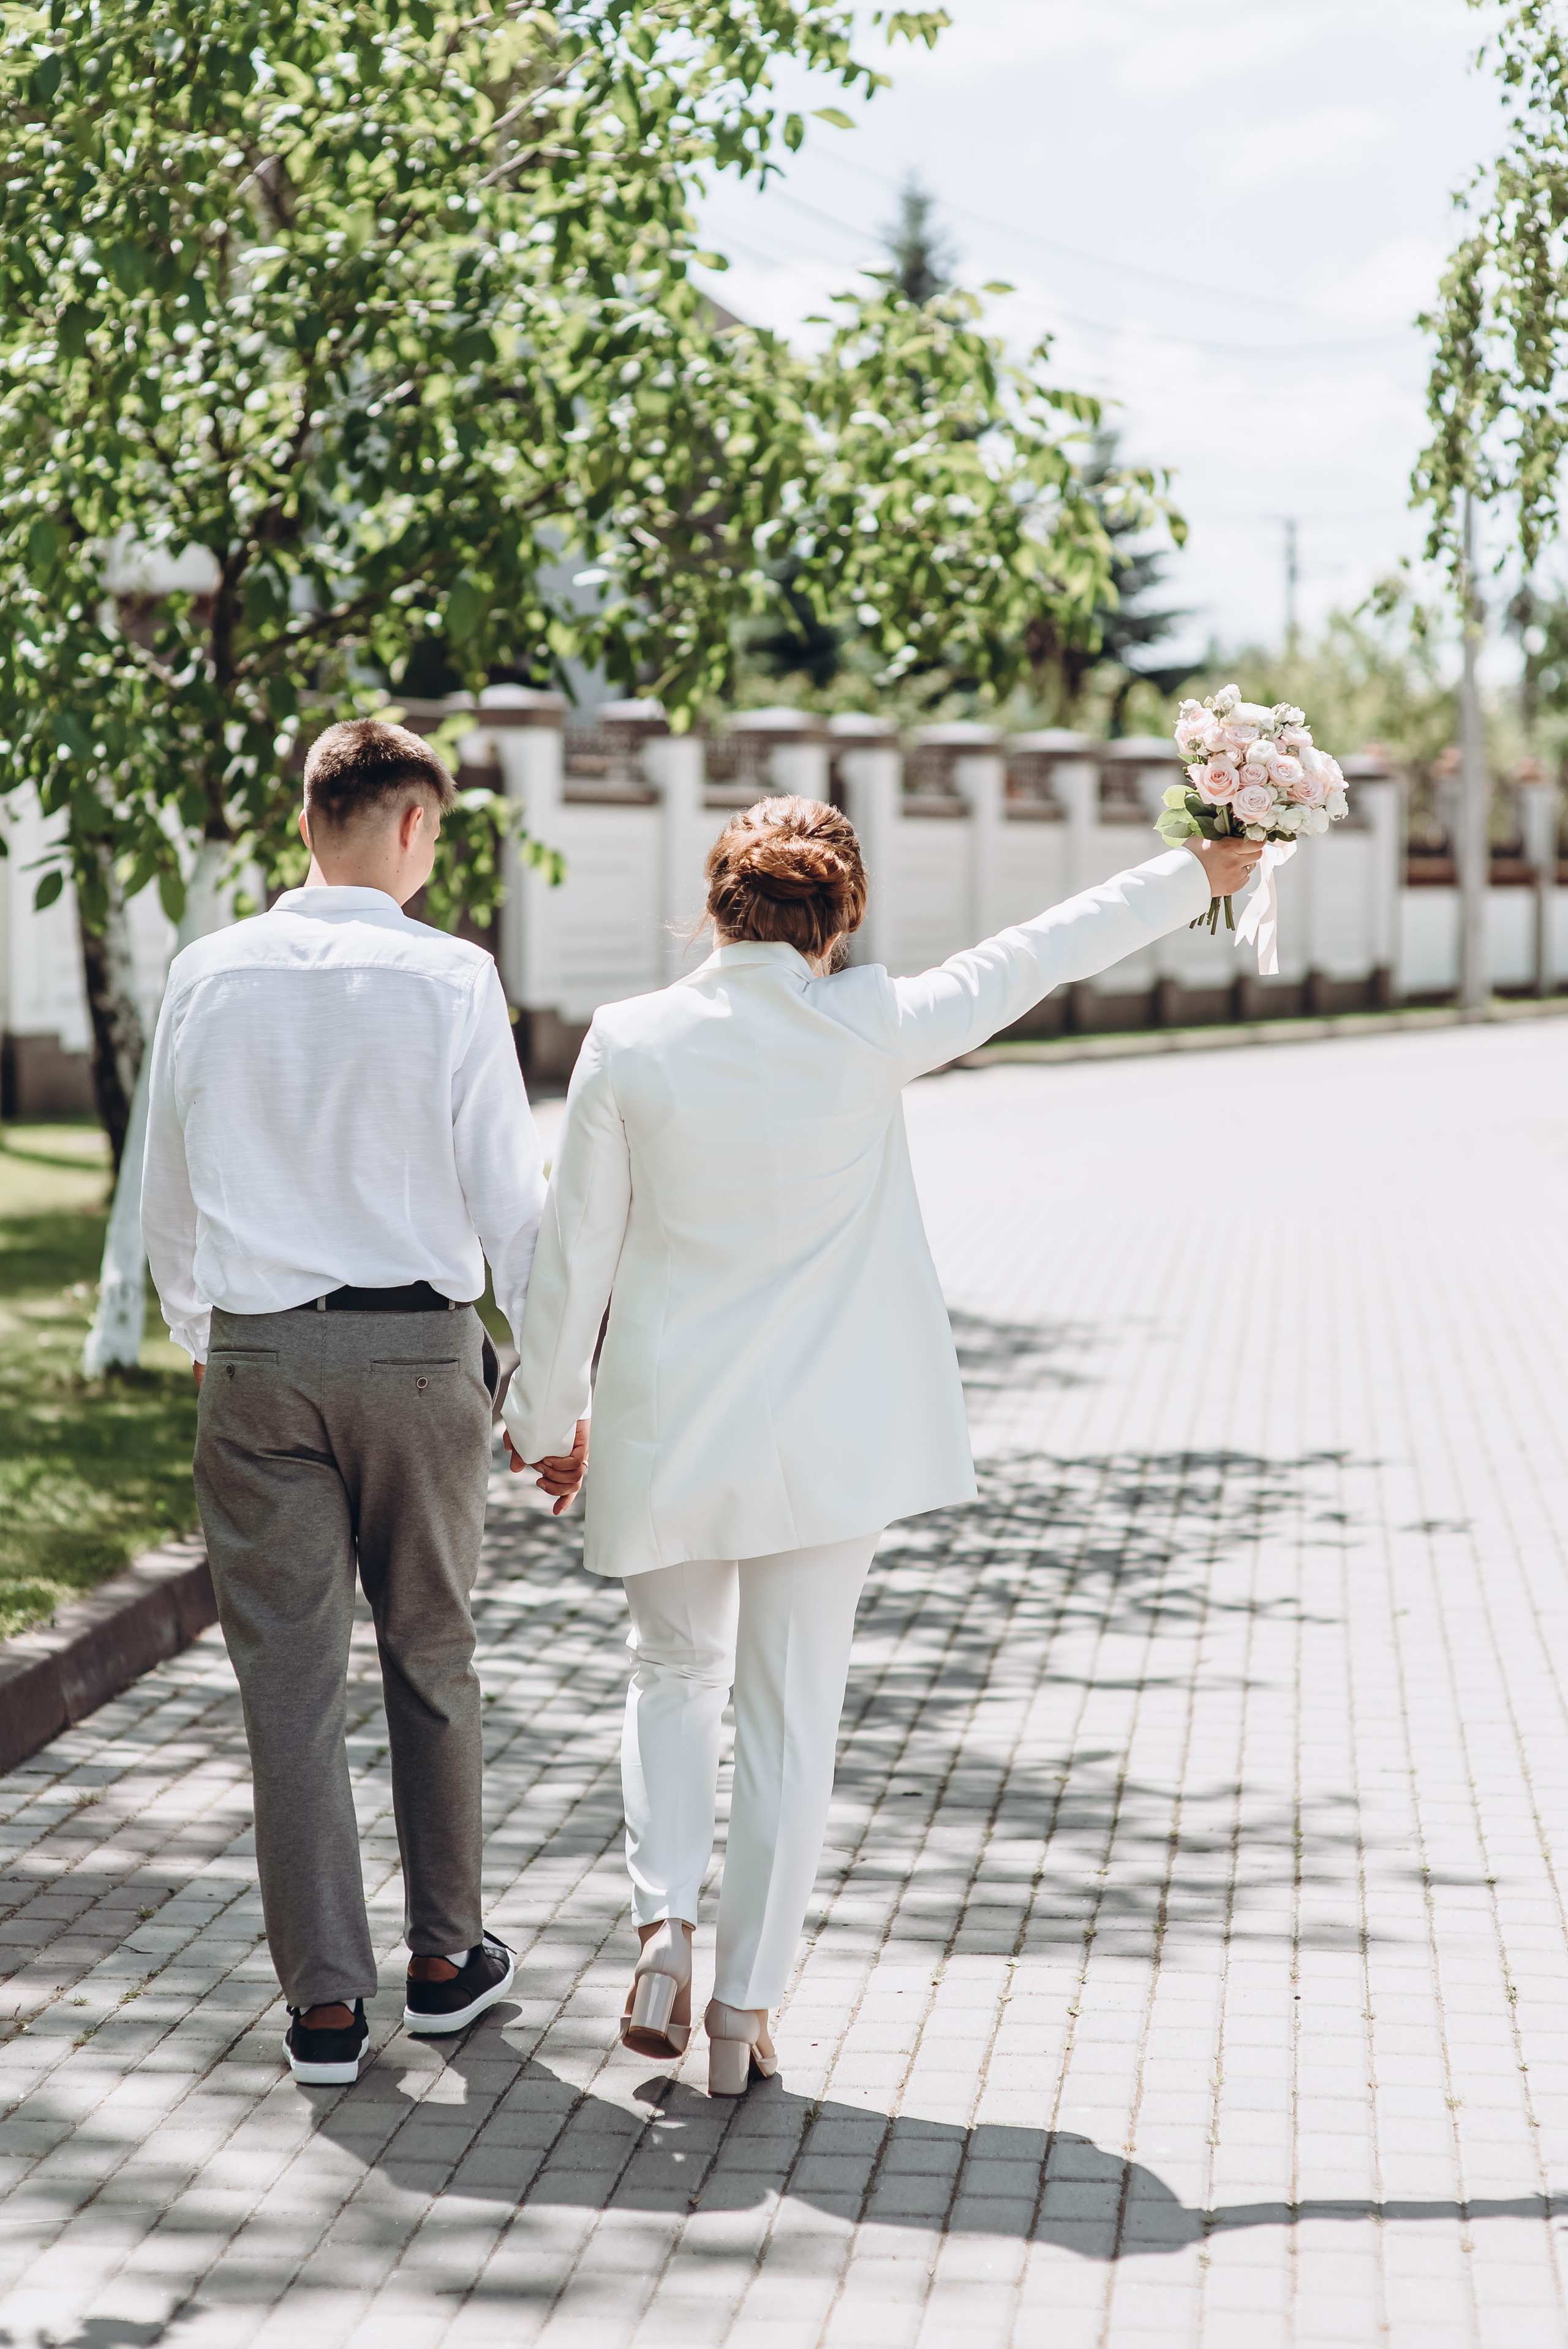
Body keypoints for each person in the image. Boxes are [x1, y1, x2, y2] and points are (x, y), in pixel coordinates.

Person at [502, 797, 1261, 2097]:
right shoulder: (872, 1025)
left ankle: (662, 1928)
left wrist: (542, 1420)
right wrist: (1195, 872)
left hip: (665, 1425)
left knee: (671, 1672)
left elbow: (575, 1253)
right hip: (824, 1445)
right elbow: (1041, 949)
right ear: (838, 915)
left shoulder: (628, 1037)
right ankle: (740, 2012)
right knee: (791, 1715)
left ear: (715, 901)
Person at [142, 718, 550, 2086]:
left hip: (258, 1361)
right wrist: (551, 1384)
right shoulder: (452, 976)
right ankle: (446, 1962)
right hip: (420, 1356)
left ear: (305, 818)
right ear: (415, 825)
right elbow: (509, 1200)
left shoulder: (206, 970)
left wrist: (207, 1335)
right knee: (430, 1655)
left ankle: (325, 2008)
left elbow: (167, 1187)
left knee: (288, 1689)